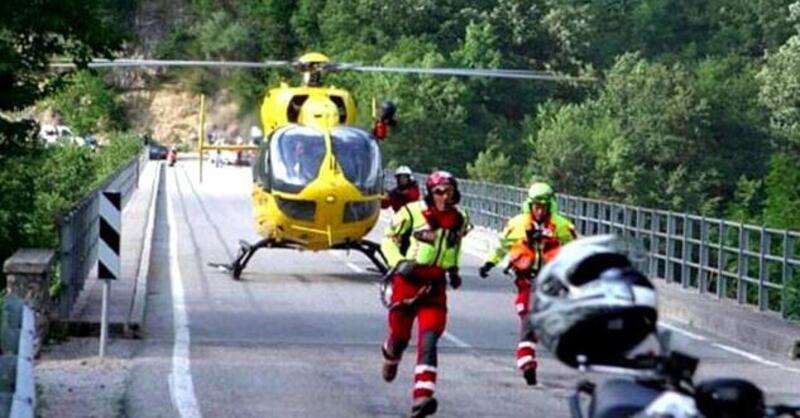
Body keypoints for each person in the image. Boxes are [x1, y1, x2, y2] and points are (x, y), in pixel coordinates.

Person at [380, 171, 472, 418]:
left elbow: (455, 245)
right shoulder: (411, 212)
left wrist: (453, 270)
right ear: (430, 194)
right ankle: (391, 353)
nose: (444, 196)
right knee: (400, 338)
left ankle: (422, 397)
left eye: (448, 191)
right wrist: (399, 262)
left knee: (429, 341)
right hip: (407, 282)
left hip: (435, 287)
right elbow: (387, 240)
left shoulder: (460, 218)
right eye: (439, 192)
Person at [478, 181, 576, 385]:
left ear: (551, 206)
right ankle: (526, 360)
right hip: (526, 278)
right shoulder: (517, 224)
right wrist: (489, 263)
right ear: (529, 205)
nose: (539, 211)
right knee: (527, 313)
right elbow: (502, 246)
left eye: (543, 206)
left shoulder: (562, 226)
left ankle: (527, 354)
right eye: (536, 206)